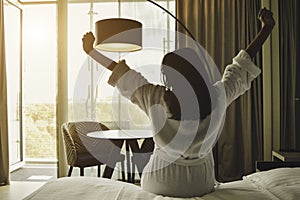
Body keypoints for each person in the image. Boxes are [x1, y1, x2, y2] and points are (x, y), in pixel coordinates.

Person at [82, 8, 275, 197]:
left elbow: (122, 73)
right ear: (198, 71)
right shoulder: (217, 96)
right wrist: (265, 29)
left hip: (160, 182)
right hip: (200, 184)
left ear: (169, 77)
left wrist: (92, 52)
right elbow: (240, 67)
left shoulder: (155, 97)